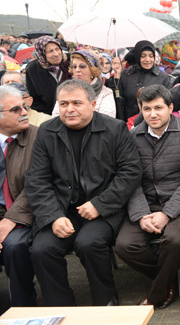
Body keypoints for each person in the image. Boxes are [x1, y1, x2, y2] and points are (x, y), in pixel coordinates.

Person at [25, 79, 142, 306]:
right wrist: (53, 216)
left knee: (89, 243)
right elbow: (36, 179)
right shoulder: (48, 131)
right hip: (61, 208)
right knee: (42, 248)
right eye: (64, 103)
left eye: (77, 103)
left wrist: (100, 204)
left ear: (93, 103)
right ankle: (60, 307)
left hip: (104, 208)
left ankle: (105, 301)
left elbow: (130, 173)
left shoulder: (115, 129)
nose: (69, 109)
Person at [114, 85, 180, 309]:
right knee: (125, 245)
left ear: (171, 108)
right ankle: (168, 275)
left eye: (159, 108)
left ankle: (157, 293)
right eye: (147, 108)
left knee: (173, 240)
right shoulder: (133, 135)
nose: (153, 114)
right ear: (140, 110)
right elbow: (131, 180)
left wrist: (167, 213)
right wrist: (142, 214)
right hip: (145, 202)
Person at [0, 86, 38, 306]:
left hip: (26, 214)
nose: (24, 112)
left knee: (14, 246)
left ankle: (23, 307)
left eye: (24, 106)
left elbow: (37, 184)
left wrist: (11, 219)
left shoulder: (39, 137)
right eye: (15, 109)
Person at [51, 49, 116, 118]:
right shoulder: (65, 91)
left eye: (82, 66)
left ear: (92, 69)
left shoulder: (105, 93)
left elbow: (107, 120)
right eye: (74, 66)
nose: (77, 70)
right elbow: (55, 118)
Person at [119, 41, 172, 121]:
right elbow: (119, 100)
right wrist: (115, 79)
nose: (147, 60)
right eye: (143, 56)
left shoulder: (162, 77)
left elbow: (167, 102)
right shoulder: (126, 74)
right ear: (137, 56)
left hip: (154, 122)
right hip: (128, 123)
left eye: (151, 56)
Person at [25, 36, 71, 115]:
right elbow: (35, 99)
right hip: (50, 115)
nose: (56, 54)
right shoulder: (32, 69)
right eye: (50, 51)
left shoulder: (70, 61)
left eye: (57, 49)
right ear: (41, 53)